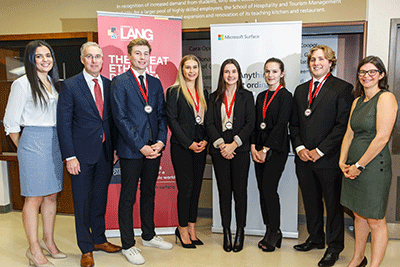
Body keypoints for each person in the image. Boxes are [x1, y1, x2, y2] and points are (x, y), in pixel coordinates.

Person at [57, 42, 121, 267]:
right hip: (80, 157)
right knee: (82, 202)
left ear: (102, 60)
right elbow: (63, 124)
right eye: (90, 57)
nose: (94, 61)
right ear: (82, 60)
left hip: (105, 153)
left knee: (99, 200)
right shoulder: (70, 85)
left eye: (98, 57)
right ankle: (86, 248)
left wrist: (114, 148)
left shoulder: (109, 84)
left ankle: (99, 239)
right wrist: (69, 156)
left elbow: (112, 120)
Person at [290, 45, 354, 267]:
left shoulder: (343, 88)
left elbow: (341, 126)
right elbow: (295, 123)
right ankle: (315, 238)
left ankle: (334, 247)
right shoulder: (300, 90)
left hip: (328, 159)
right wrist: (300, 149)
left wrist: (318, 151)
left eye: (321, 59)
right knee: (311, 201)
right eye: (312, 59)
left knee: (333, 205)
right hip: (304, 158)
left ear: (330, 62)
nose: (316, 63)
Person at [3, 40, 66, 267]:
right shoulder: (21, 84)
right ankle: (34, 250)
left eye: (47, 55)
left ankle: (49, 241)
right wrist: (26, 150)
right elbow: (10, 124)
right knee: (34, 197)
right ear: (31, 60)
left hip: (55, 140)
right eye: (39, 56)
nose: (45, 60)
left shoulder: (54, 82)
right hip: (32, 141)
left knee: (51, 195)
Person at [111, 38, 172, 265]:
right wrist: (141, 146)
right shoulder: (120, 82)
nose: (142, 57)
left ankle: (148, 235)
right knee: (127, 198)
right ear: (130, 56)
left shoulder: (155, 83)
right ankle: (128, 244)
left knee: (149, 193)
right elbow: (121, 118)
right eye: (138, 53)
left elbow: (161, 116)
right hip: (131, 150)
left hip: (153, 150)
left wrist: (159, 141)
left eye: (146, 53)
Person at [339, 56, 397, 267]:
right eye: (363, 72)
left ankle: (374, 265)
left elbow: (382, 137)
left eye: (372, 71)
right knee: (359, 214)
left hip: (373, 167)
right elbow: (349, 134)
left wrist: (359, 166)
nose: (366, 76)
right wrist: (342, 161)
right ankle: (358, 258)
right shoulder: (357, 101)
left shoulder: (386, 98)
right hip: (352, 165)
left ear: (381, 75)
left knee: (375, 219)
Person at [205, 58, 255, 253]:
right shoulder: (213, 97)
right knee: (224, 193)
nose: (230, 75)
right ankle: (226, 231)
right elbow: (209, 123)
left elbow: (250, 123)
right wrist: (221, 145)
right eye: (227, 72)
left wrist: (233, 144)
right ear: (222, 75)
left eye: (234, 71)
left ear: (239, 74)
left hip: (240, 151)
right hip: (219, 152)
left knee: (240, 193)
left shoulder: (247, 96)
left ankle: (240, 231)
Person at [166, 55, 208, 249]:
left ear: (199, 70)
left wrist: (205, 140)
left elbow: (207, 121)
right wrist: (189, 143)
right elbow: (172, 121)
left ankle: (192, 227)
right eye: (187, 67)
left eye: (195, 67)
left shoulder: (203, 93)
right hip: (182, 148)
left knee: (197, 188)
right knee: (186, 189)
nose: (191, 71)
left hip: (201, 148)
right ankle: (182, 228)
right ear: (182, 70)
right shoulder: (174, 92)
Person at [251, 58, 292, 252]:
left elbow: (280, 125)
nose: (270, 75)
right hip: (258, 149)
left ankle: (275, 231)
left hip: (276, 150)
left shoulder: (286, 96)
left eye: (275, 71)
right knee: (262, 190)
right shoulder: (261, 96)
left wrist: (265, 149)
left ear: (282, 74)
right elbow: (255, 122)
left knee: (269, 189)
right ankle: (270, 229)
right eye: (267, 71)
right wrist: (253, 147)